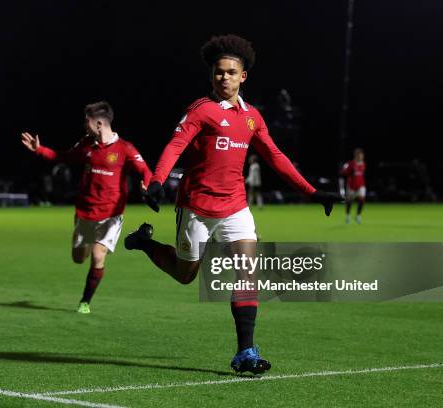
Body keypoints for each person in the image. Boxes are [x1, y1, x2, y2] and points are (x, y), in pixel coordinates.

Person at [124, 34, 341, 374]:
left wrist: (313, 192)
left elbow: (276, 156)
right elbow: (174, 145)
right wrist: (156, 181)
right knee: (185, 275)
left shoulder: (252, 116)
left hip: (236, 207)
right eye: (218, 72)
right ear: (212, 75)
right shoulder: (202, 110)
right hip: (196, 207)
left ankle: (246, 352)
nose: (223, 77)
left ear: (243, 76)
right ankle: (144, 242)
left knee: (247, 272)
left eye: (230, 72)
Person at [21, 101, 152, 314]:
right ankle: (88, 243)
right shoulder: (86, 145)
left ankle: (85, 302)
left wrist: (147, 183)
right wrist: (39, 149)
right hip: (85, 212)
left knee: (98, 255)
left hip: (111, 214)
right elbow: (63, 157)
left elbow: (145, 170)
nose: (85, 126)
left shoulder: (125, 149)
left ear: (99, 123)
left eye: (87, 121)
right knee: (78, 258)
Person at [341, 148, 366, 224]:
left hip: (361, 185)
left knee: (362, 200)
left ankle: (358, 215)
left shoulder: (363, 164)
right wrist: (347, 170)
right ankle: (348, 216)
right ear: (356, 156)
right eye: (359, 155)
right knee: (349, 202)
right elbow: (344, 172)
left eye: (361, 156)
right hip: (351, 186)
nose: (360, 157)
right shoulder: (351, 163)